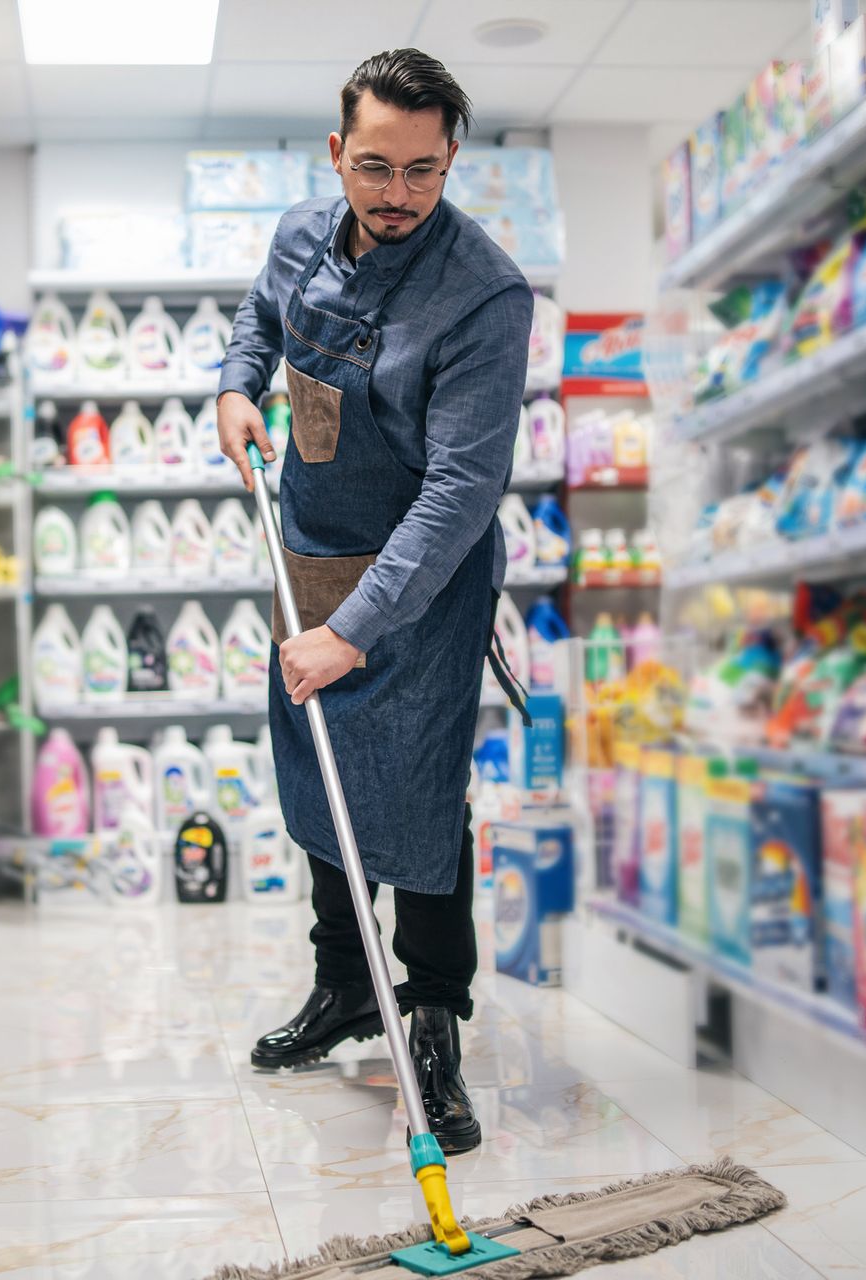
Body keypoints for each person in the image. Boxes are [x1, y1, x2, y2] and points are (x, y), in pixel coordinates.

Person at [215, 48, 533, 1154]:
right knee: (320, 777)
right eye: (374, 166)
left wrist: (353, 632)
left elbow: (459, 493)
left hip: (421, 581)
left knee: (420, 799)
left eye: (423, 170)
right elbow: (260, 320)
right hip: (310, 553)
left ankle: (433, 1017)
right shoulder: (301, 235)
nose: (397, 194)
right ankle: (346, 987)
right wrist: (235, 385)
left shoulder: (484, 294)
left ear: (452, 159)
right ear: (337, 153)